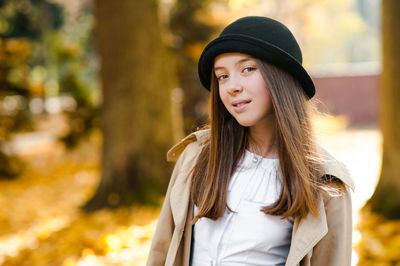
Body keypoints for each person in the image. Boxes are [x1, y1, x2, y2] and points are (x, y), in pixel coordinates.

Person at [147, 16, 354, 266]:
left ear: (281, 77)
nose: (232, 86)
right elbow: (161, 251)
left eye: (247, 69)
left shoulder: (325, 182)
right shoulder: (196, 156)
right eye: (222, 76)